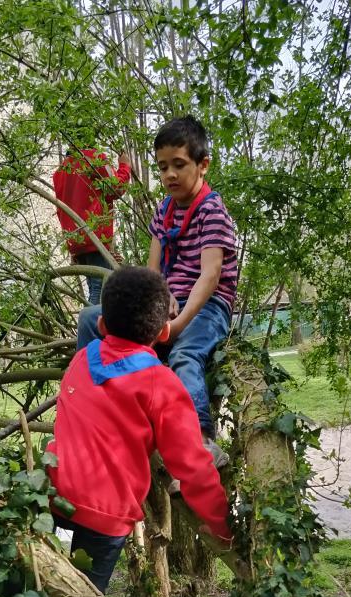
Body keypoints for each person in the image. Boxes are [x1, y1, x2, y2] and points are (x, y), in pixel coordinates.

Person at [46, 266, 232, 597]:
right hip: (103, 516)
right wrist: (222, 527)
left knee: (73, 589)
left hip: (59, 493)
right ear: (163, 331)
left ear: (103, 326)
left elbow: (99, 328)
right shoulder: (161, 385)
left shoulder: (83, 359)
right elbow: (192, 470)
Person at [77, 116, 238, 468]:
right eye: (163, 167)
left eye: (179, 165)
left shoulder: (212, 211)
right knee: (93, 318)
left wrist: (176, 326)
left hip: (206, 306)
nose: (169, 175)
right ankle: (98, 408)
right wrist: (158, 304)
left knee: (183, 355)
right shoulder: (164, 210)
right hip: (168, 302)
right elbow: (153, 272)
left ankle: (200, 442)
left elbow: (210, 277)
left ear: (203, 165)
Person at [52, 144, 131, 305]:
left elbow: (61, 210)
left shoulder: (61, 170)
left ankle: (94, 326)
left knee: (96, 286)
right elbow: (115, 187)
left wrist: (71, 246)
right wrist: (125, 165)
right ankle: (92, 328)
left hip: (76, 239)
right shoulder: (93, 158)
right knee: (101, 288)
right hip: (95, 236)